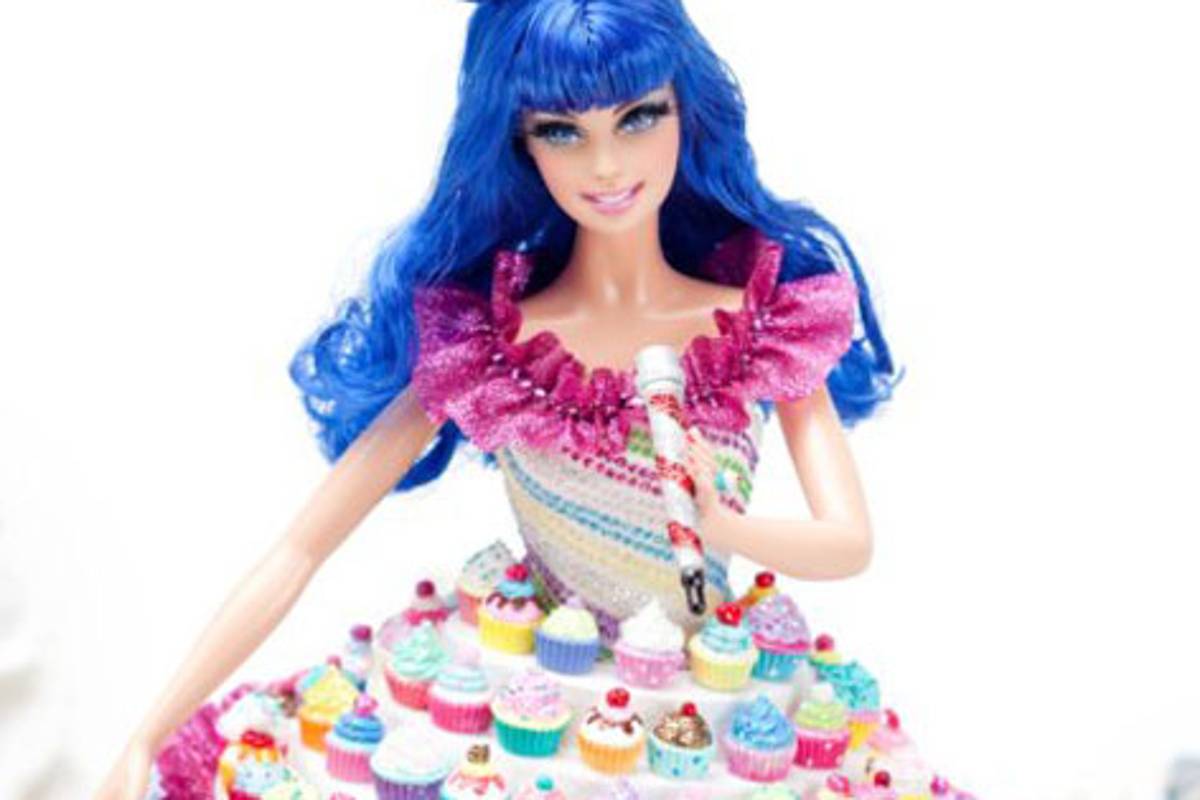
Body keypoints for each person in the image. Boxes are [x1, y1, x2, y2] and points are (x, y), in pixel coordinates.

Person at [96, 1, 900, 797]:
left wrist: (723, 528)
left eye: (638, 117)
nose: (606, 166)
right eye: (562, 131)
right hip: (530, 715)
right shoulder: (490, 345)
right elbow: (302, 547)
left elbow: (849, 541)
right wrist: (146, 734)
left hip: (709, 723)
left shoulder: (764, 321)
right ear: (519, 144)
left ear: (687, 111)